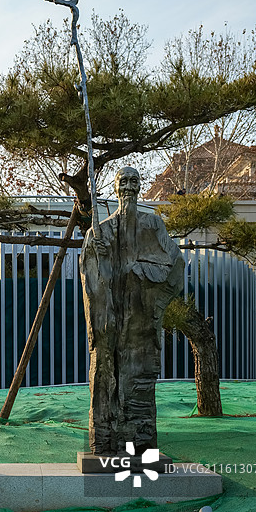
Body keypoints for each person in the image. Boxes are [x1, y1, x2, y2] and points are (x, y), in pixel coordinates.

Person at [80, 167, 184, 456]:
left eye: (133, 181)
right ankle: (105, 439)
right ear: (115, 188)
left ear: (140, 186)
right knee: (107, 375)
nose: (128, 187)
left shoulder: (152, 224)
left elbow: (173, 263)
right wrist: (96, 252)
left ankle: (140, 441)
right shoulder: (101, 230)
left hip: (141, 317)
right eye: (122, 182)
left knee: (139, 379)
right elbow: (93, 277)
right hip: (111, 319)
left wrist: (139, 272)